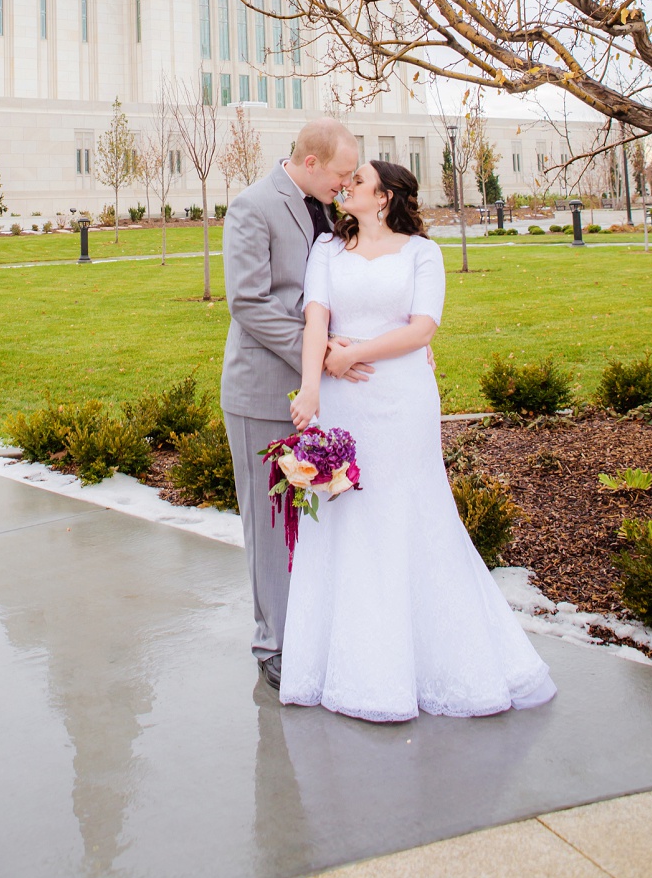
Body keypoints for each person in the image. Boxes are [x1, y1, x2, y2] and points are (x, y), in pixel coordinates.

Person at [281, 159, 557, 720]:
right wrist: (311, 387)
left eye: (357, 181)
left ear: (383, 197)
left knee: (410, 511)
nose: (346, 186)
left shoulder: (422, 253)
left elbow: (422, 327)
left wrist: (353, 353)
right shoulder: (327, 251)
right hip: (342, 401)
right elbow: (315, 320)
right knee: (348, 517)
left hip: (402, 401)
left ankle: (438, 661)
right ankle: (350, 664)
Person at [221, 118, 363, 690]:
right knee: (269, 523)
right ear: (310, 163)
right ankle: (273, 644)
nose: (348, 184)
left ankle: (314, 628)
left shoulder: (331, 207)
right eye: (341, 173)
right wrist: (319, 356)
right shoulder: (252, 207)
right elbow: (249, 304)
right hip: (261, 390)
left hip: (322, 394)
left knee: (317, 523)